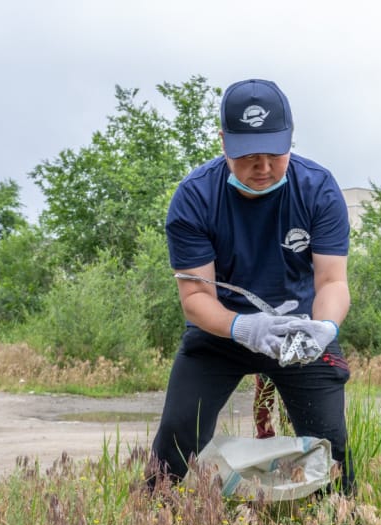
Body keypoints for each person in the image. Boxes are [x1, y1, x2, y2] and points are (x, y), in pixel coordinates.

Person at [147, 79, 353, 494]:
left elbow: (332, 281)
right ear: (224, 142)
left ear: (291, 138)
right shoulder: (194, 198)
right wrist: (245, 328)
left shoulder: (318, 189)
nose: (262, 166)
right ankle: (149, 520)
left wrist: (325, 328)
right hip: (222, 330)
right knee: (177, 434)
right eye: (247, 155)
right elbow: (195, 297)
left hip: (300, 331)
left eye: (274, 152)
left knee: (331, 444)